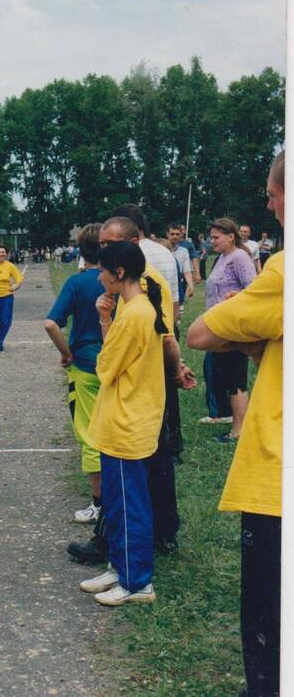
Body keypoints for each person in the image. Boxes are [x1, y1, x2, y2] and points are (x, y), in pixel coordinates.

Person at [186, 150, 283, 697]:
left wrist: (259, 341)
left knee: (269, 624)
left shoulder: (281, 270)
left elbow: (200, 331)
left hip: (277, 476)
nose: (268, 203)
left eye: (273, 192)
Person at [78, 240, 166, 606]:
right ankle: (120, 565)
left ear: (119, 273)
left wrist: (103, 321)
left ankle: (138, 582)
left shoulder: (134, 314)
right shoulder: (134, 308)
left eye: (102, 270)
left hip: (128, 422)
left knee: (130, 506)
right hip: (120, 420)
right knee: (116, 503)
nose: (98, 277)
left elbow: (105, 366)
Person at [44, 225, 105, 523]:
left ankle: (99, 503)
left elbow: (51, 324)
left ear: (80, 251)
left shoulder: (77, 283)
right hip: (120, 363)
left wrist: (65, 352)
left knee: (90, 432)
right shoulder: (121, 281)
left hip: (86, 365)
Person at [199, 218, 256, 438]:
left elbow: (253, 290)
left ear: (231, 236)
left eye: (216, 237)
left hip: (232, 327)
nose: (212, 241)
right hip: (219, 328)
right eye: (211, 237)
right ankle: (236, 422)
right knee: (225, 375)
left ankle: (239, 429)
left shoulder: (239, 257)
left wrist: (235, 299)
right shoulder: (223, 258)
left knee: (235, 377)